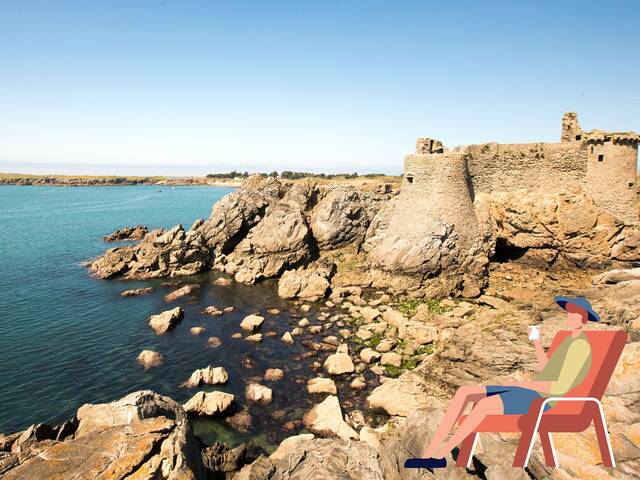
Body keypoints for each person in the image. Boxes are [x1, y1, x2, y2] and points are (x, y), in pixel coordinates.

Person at [404, 295, 597, 469]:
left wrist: (522, 385)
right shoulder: (568, 341)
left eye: (576, 314)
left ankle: (439, 455)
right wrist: (536, 342)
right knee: (465, 392)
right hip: (534, 393)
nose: (570, 316)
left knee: (484, 406)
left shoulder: (580, 347)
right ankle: (430, 454)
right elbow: (548, 370)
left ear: (584, 318)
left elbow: (560, 387)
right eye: (569, 312)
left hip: (545, 401)